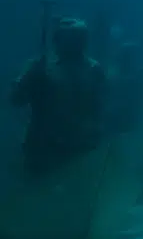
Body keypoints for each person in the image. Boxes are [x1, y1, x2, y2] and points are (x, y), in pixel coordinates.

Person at [9, 17, 108, 177]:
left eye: (77, 39)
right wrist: (29, 78)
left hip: (78, 148)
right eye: (69, 39)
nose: (73, 44)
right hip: (43, 149)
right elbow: (16, 100)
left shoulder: (94, 70)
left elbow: (99, 107)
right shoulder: (41, 66)